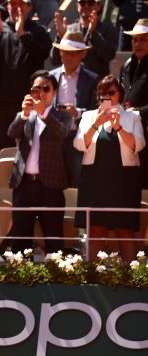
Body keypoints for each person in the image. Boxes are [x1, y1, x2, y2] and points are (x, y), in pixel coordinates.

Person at [74, 75, 145, 262]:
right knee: (96, 231)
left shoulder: (133, 117)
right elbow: (80, 144)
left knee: (125, 231)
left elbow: (138, 145)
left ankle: (131, 282)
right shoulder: (89, 116)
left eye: (111, 93)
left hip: (124, 183)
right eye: (102, 94)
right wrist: (96, 124)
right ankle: (92, 278)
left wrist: (119, 127)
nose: (106, 97)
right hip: (94, 182)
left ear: (120, 94)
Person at [5, 70, 72, 255]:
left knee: (53, 239)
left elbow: (62, 133)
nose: (41, 93)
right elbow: (11, 133)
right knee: (20, 239)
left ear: (54, 92)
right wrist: (25, 114)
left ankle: (56, 278)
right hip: (24, 183)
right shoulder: (26, 114)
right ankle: (20, 279)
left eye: (46, 89)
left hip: (51, 186)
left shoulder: (62, 115)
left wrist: (44, 113)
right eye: (36, 89)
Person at [0, 0, 51, 159]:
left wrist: (23, 35)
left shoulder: (38, 32)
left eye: (21, 4)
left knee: (29, 147)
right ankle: (0, 184)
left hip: (28, 102)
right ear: (7, 7)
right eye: (13, 4)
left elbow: (43, 54)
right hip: (0, 103)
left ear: (29, 8)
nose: (17, 8)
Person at [49, 31, 99, 187]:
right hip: (54, 139)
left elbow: (96, 111)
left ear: (82, 54)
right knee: (54, 183)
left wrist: (77, 112)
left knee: (79, 183)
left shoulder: (92, 79)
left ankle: (79, 212)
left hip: (79, 139)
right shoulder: (50, 76)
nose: (67, 57)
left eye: (73, 53)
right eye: (64, 52)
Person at [51, 0, 117, 78]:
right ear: (77, 6)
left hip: (97, 85)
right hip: (72, 82)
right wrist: (60, 37)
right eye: (82, 3)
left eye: (90, 3)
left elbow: (109, 55)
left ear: (99, 6)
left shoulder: (107, 29)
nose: (86, 6)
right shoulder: (68, 30)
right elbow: (54, 60)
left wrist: (93, 32)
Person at [120, 18, 148, 188]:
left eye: (143, 39)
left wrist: (138, 112)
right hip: (126, 131)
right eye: (135, 39)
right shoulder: (126, 66)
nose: (138, 43)